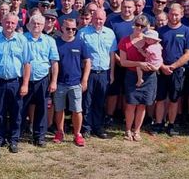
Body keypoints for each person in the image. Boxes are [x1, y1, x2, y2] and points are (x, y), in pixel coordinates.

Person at [0, 13, 31, 153]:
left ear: (16, 24)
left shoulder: (22, 40)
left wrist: (25, 83)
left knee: (16, 112)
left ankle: (14, 140)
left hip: (16, 82)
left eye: (13, 23)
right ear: (2, 22)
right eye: (7, 22)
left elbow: (27, 64)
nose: (9, 25)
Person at [154, 3, 189, 135]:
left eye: (177, 14)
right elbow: (154, 52)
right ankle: (158, 124)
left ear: (182, 14)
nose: (174, 16)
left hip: (177, 71)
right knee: (160, 98)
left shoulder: (187, 31)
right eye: (171, 14)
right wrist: (162, 66)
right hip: (161, 69)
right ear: (168, 14)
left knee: (174, 99)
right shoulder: (160, 31)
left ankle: (171, 125)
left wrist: (173, 66)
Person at [79, 8, 116, 139]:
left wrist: (111, 74)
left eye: (101, 19)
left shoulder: (110, 34)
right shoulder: (83, 33)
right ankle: (86, 127)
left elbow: (112, 55)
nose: (98, 21)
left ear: (105, 19)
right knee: (87, 101)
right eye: (96, 18)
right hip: (89, 73)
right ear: (92, 18)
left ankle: (98, 127)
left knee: (100, 101)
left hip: (104, 72)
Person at [118, 19, 158, 141]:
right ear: (133, 25)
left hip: (149, 76)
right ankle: (128, 130)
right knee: (131, 104)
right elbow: (123, 62)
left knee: (142, 105)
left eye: (142, 26)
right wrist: (139, 63)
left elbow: (158, 55)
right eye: (137, 25)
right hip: (131, 75)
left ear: (147, 27)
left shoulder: (150, 40)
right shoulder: (125, 41)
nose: (139, 28)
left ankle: (137, 130)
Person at [24, 13, 60, 147]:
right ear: (29, 25)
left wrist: (54, 81)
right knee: (21, 108)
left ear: (43, 26)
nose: (36, 26)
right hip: (25, 80)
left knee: (42, 109)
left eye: (39, 24)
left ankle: (39, 137)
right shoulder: (22, 39)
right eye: (34, 23)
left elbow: (54, 62)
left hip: (43, 79)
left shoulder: (49, 41)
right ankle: (18, 135)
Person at [53, 17, 89, 145]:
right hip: (60, 83)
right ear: (62, 28)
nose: (71, 31)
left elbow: (87, 61)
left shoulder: (80, 43)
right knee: (59, 109)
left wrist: (84, 80)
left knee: (77, 110)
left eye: (74, 29)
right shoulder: (56, 43)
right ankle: (60, 132)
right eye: (68, 28)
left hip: (76, 83)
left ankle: (77, 134)